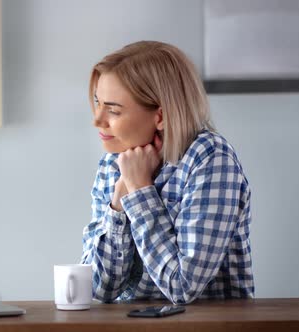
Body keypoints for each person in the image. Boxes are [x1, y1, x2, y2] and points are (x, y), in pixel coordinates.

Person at [81, 41, 254, 304]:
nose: (97, 120)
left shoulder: (210, 159)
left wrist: (139, 191)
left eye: (114, 110)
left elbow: (183, 288)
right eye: (98, 103)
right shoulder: (112, 164)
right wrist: (118, 204)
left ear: (160, 116)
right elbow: (100, 289)